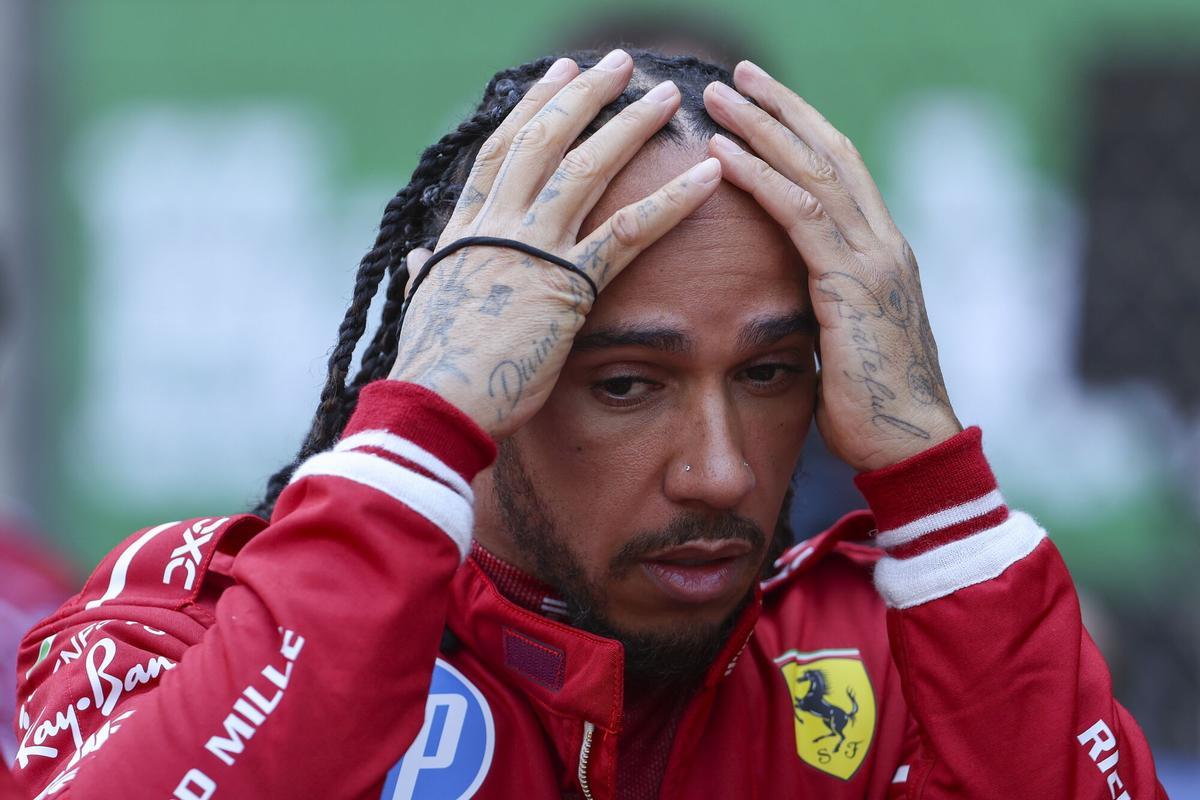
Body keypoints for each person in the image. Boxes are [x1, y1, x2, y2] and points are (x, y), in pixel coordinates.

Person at [11, 49, 1165, 799]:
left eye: (770, 373)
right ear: (475, 363)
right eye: (625, 384)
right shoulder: (190, 627)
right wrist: (418, 423)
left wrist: (933, 477)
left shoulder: (889, 656)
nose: (720, 470)